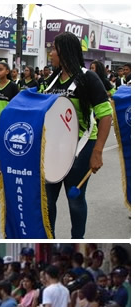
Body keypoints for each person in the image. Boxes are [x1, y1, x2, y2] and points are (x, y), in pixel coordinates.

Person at [44, 32, 114, 238]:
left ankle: (77, 239)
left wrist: (98, 151)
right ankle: (49, 239)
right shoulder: (51, 80)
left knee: (74, 199)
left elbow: (105, 115)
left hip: (81, 148)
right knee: (47, 200)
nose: (51, 53)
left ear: (65, 52)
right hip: (55, 149)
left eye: (54, 49)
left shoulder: (88, 78)